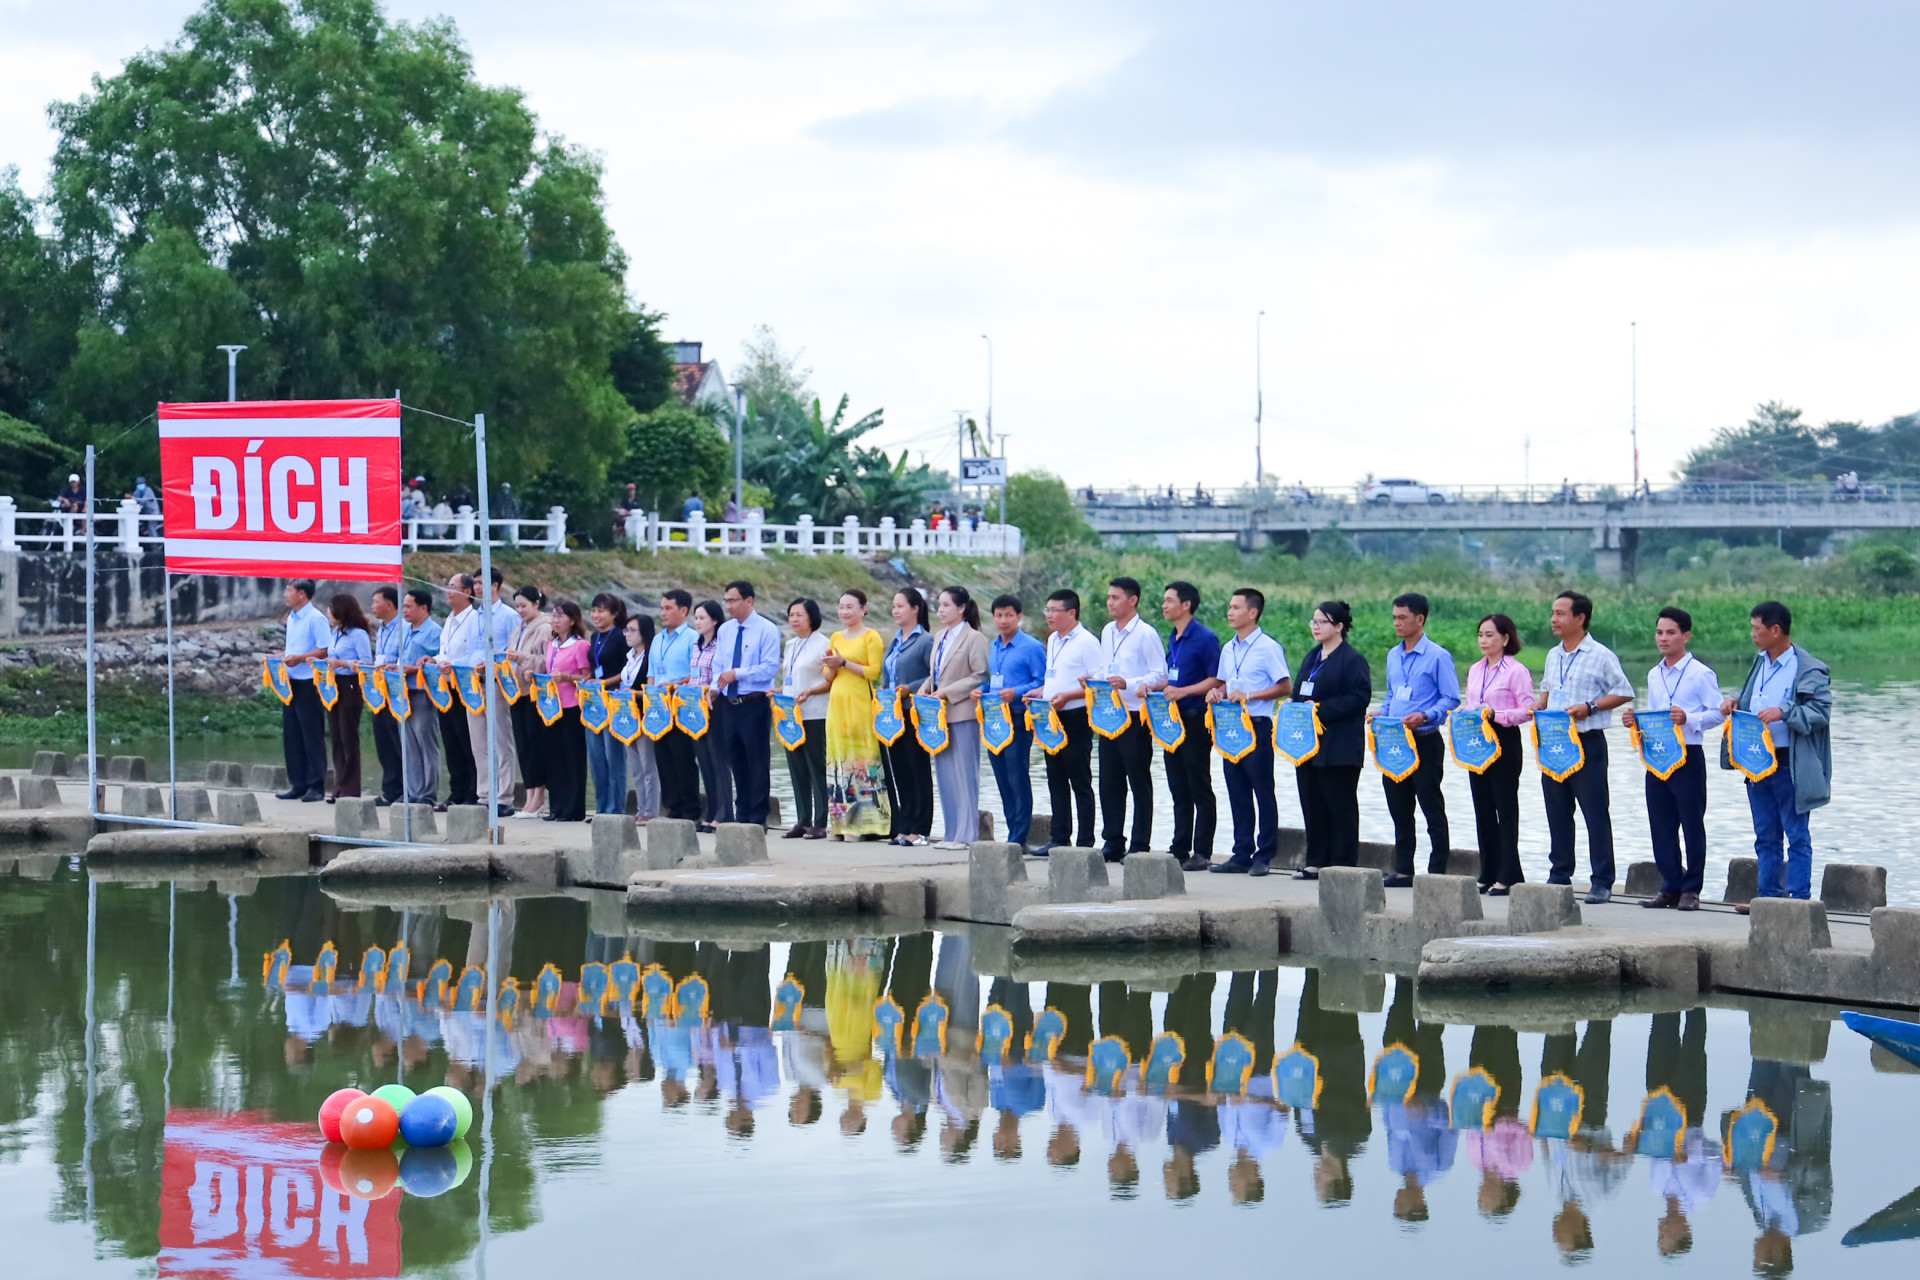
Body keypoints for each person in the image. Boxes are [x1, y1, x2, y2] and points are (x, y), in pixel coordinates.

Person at [1719, 602, 1832, 912]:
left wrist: (1784, 712)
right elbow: (1754, 703)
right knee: (1765, 836)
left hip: (1789, 764)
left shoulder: (1807, 667)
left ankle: (1798, 902)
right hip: (1757, 761)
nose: (1753, 634)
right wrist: (1734, 703)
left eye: (1757, 628)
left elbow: (1820, 713)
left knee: (1797, 835)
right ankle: (1768, 900)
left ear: (1776, 630)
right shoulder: (1760, 663)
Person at [1534, 591, 1635, 905]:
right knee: (1557, 811)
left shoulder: (1600, 654)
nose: (1554, 619)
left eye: (1561, 613)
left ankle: (1602, 881)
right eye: (1553, 613)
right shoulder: (1553, 655)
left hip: (1587, 741)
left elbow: (1624, 691)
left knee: (1594, 812)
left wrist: (1590, 707)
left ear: (1580, 618)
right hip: (1554, 743)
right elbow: (1547, 693)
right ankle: (1559, 874)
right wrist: (1535, 710)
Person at [1620, 608, 1724, 911]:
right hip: (1657, 755)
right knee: (1661, 823)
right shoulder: (1654, 674)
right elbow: (1655, 714)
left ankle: (1692, 888)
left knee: (1691, 823)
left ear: (1686, 636)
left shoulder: (1701, 674)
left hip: (1688, 755)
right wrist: (1635, 722)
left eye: (1670, 633)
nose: (1663, 639)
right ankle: (1670, 886)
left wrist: (1688, 718)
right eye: (1659, 632)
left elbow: (1719, 711)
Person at [1206, 588, 1291, 875]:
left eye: (1235, 607)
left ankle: (1264, 855)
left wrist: (1250, 695)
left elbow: (1285, 687)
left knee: (1262, 789)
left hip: (1256, 724)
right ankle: (1241, 853)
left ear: (1252, 612)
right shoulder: (1229, 648)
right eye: (1229, 607)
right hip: (1231, 726)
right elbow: (1222, 684)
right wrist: (1216, 693)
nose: (1230, 612)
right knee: (1236, 789)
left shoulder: (1268, 647)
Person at [1380, 592, 1461, 887]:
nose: (1397, 623)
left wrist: (1426, 716)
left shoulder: (1438, 656)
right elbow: (1392, 693)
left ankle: (1437, 870)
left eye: (1402, 618)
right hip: (1395, 742)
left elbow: (1450, 698)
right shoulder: (1393, 655)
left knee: (1430, 804)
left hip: (1424, 740)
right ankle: (1403, 869)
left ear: (1420, 619)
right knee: (1399, 807)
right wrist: (1382, 714)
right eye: (1395, 618)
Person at [1287, 601, 1370, 877]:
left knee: (1340, 806)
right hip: (1309, 745)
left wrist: (1319, 709)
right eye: (1313, 621)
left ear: (1339, 626)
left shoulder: (1352, 660)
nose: (1316, 627)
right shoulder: (1313, 657)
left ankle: (1343, 864)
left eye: (1322, 622)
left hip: (1340, 746)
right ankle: (1316, 860)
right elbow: (1300, 690)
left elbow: (1359, 698)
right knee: (1312, 802)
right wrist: (1294, 703)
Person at [1458, 613, 1534, 894]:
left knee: (1505, 809)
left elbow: (1527, 711)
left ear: (1505, 639)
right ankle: (1487, 870)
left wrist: (1495, 714)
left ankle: (1509, 873)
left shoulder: (1516, 670)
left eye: (1490, 635)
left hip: (1503, 740)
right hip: (1477, 742)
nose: (1483, 640)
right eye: (1480, 634)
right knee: (1483, 810)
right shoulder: (1476, 669)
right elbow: (1470, 702)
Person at [1096, 577, 1167, 860]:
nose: (1110, 602)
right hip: (1108, 714)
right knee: (1109, 781)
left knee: (1137, 779)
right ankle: (1113, 841)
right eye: (1109, 597)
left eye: (1115, 597)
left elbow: (1159, 675)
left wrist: (1130, 682)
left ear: (1132, 600)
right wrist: (1093, 680)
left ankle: (1139, 844)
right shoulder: (1107, 631)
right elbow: (1105, 669)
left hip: (1135, 716)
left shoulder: (1146, 634)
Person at [920, 586, 990, 849]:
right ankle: (951, 833)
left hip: (962, 712)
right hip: (939, 716)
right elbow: (937, 672)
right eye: (939, 605)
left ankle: (967, 835)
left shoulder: (974, 638)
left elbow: (980, 675)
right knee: (946, 774)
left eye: (947, 605)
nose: (941, 610)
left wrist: (946, 692)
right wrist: (927, 686)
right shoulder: (940, 636)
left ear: (961, 608)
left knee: (965, 774)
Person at [1161, 581, 1222, 870]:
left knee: (1199, 786)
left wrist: (1183, 692)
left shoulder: (1205, 638)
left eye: (1170, 600)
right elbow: (1173, 677)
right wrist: (1154, 686)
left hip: (1196, 720)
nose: (1164, 605)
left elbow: (1215, 679)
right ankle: (1179, 847)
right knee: (1178, 788)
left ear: (1186, 605)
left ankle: (1203, 851)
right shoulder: (1173, 637)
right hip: (1172, 723)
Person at [710, 580, 782, 826]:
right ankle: (741, 815)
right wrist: (713, 689)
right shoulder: (725, 630)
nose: (728, 606)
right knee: (736, 759)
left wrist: (737, 673)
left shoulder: (767, 629)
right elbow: (718, 664)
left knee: (757, 760)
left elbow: (769, 668)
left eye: (732, 600)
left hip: (754, 703)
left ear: (749, 601)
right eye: (726, 601)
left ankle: (758, 816)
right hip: (728, 702)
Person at [977, 594, 1045, 847]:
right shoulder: (993, 646)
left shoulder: (1032, 647)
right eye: (999, 615)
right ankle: (1012, 831)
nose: (1003, 620)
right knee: (1002, 776)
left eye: (1009, 615)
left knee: (1018, 775)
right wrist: (982, 690)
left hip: (1018, 716)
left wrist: (1016, 692)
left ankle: (1020, 836)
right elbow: (994, 680)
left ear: (1019, 617)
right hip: (995, 718)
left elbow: (1041, 682)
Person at [1036, 589, 1102, 853]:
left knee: (1079, 778)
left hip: (1076, 715)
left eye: (1054, 610)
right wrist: (1042, 692)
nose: (1049, 615)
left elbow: (1098, 685)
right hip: (1051, 715)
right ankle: (1060, 837)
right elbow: (1053, 675)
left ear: (1071, 613)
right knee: (1055, 778)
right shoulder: (1053, 639)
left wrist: (1069, 695)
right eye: (1047, 610)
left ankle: (1085, 841)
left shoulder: (1087, 642)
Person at [821, 589, 890, 839]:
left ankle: (867, 824)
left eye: (850, 606)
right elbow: (830, 676)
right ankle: (840, 823)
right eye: (841, 607)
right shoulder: (836, 637)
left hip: (860, 705)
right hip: (837, 705)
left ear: (863, 609)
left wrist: (844, 663)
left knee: (862, 761)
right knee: (839, 761)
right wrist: (831, 665)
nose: (845, 611)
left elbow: (873, 673)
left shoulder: (872, 637)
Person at [881, 589, 935, 846]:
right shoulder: (894, 641)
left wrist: (910, 689)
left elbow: (934, 676)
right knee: (900, 769)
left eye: (900, 605)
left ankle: (920, 827)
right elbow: (889, 674)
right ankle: (904, 825)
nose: (895, 610)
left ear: (915, 608)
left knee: (918, 769)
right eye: (893, 606)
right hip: (893, 714)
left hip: (914, 711)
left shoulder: (925, 641)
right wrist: (884, 690)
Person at [470, 567, 520, 817]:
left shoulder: (508, 616)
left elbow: (512, 653)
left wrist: (494, 667)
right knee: (479, 742)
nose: (477, 587)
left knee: (501, 739)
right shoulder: (474, 615)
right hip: (472, 683)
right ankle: (485, 793)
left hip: (497, 682)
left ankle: (504, 796)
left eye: (482, 583)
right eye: (475, 583)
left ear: (495, 585)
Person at [428, 574, 481, 811]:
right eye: (447, 586)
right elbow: (445, 651)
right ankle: (456, 791)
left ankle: (473, 791)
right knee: (450, 740)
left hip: (465, 686)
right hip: (445, 685)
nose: (448, 591)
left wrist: (454, 665)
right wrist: (434, 659)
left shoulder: (475, 619)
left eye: (453, 587)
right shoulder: (450, 619)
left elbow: (474, 654)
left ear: (468, 591)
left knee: (467, 739)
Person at [649, 589, 702, 821]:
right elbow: (651, 674)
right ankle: (673, 806)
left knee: (683, 757)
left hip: (682, 704)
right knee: (664, 758)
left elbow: (696, 674)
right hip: (658, 705)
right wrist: (651, 698)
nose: (663, 613)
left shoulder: (693, 637)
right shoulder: (657, 639)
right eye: (661, 608)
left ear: (683, 610)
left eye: (668, 608)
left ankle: (691, 809)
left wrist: (674, 684)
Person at [781, 598, 832, 838]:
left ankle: (820, 822)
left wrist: (810, 691)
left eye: (799, 615)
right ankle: (802, 819)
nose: (794, 619)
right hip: (790, 715)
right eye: (791, 615)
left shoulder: (823, 644)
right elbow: (789, 676)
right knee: (796, 767)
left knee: (815, 767)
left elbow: (830, 680)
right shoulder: (791, 644)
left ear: (811, 617)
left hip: (814, 713)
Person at [277, 579, 331, 802]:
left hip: (310, 681)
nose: (285, 595)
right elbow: (294, 647)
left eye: (289, 590)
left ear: (301, 593)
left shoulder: (316, 618)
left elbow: (325, 649)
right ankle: (297, 783)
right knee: (292, 735)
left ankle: (316, 785)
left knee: (312, 735)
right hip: (291, 681)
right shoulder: (292, 617)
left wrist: (299, 659)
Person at [543, 599, 592, 822]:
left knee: (572, 757)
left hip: (572, 705)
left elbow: (587, 675)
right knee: (554, 757)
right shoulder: (551, 644)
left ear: (572, 620)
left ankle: (573, 808)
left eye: (560, 616)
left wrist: (567, 678)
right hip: (552, 706)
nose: (555, 620)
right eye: (553, 615)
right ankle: (557, 807)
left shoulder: (580, 645)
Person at [394, 588, 444, 805]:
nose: (404, 610)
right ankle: (412, 792)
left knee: (426, 743)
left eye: (408, 606)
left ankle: (427, 794)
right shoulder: (405, 629)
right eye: (403, 606)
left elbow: (435, 662)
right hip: (402, 691)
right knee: (409, 745)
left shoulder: (434, 631)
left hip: (423, 691)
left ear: (423, 608)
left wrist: (413, 668)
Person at [583, 592, 631, 815]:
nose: (595, 614)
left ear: (614, 614)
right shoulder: (595, 637)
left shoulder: (622, 637)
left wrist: (603, 682)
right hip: (594, 701)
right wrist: (589, 681)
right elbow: (596, 667)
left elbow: (628, 671)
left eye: (601, 610)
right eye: (593, 610)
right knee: (596, 757)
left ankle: (615, 808)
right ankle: (601, 808)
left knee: (614, 758)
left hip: (614, 699)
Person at [507, 586, 552, 819]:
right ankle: (530, 793)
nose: (520, 610)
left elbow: (548, 661)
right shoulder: (519, 629)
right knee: (523, 745)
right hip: (518, 691)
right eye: (517, 606)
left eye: (524, 605)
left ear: (537, 604)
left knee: (536, 745)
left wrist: (522, 658)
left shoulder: (544, 628)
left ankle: (539, 797)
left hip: (535, 692)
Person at [323, 593, 374, 800]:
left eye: (331, 608)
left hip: (350, 685)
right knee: (336, 737)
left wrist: (342, 664)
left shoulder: (358, 634)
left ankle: (351, 787)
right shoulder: (336, 632)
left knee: (348, 736)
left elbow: (366, 664)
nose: (328, 613)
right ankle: (339, 785)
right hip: (333, 685)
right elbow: (334, 656)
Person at [689, 600, 730, 830]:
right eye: (696, 618)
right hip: (694, 710)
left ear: (715, 620)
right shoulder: (696, 645)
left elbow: (718, 675)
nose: (698, 622)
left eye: (702, 617)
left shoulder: (720, 646)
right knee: (703, 761)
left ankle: (723, 812)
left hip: (715, 706)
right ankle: (712, 810)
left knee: (718, 761)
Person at [619, 613, 660, 822]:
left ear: (644, 632)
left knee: (648, 766)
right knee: (635, 767)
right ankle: (641, 809)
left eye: (633, 630)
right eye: (626, 630)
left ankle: (651, 810)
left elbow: (652, 690)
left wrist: (633, 694)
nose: (628, 634)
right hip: (627, 717)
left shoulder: (650, 656)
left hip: (645, 715)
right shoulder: (630, 656)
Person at [368, 586, 406, 806]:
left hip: (396, 692)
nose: (373, 607)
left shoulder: (404, 628)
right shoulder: (382, 629)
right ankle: (389, 789)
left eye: (376, 602)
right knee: (383, 743)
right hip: (378, 690)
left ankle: (403, 789)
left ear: (389, 604)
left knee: (397, 742)